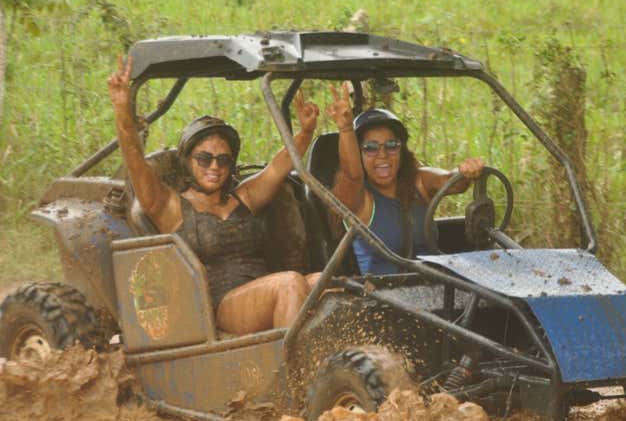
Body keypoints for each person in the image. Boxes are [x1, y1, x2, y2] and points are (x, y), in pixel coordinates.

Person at [108, 55, 320, 334]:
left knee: (326, 283)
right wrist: (123, 111)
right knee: (292, 282)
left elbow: (277, 168)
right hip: (222, 305)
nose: (214, 167)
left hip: (268, 293)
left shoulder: (243, 198)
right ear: (188, 160)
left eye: (223, 160)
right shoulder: (172, 207)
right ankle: (293, 375)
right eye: (204, 158)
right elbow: (136, 162)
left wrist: (306, 131)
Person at [323, 83, 485, 275]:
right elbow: (352, 175)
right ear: (358, 154)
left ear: (402, 150)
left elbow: (451, 182)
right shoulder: (359, 199)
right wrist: (346, 130)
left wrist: (466, 172)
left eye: (391, 145)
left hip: (436, 288)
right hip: (381, 296)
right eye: (370, 148)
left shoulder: (418, 181)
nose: (382, 154)